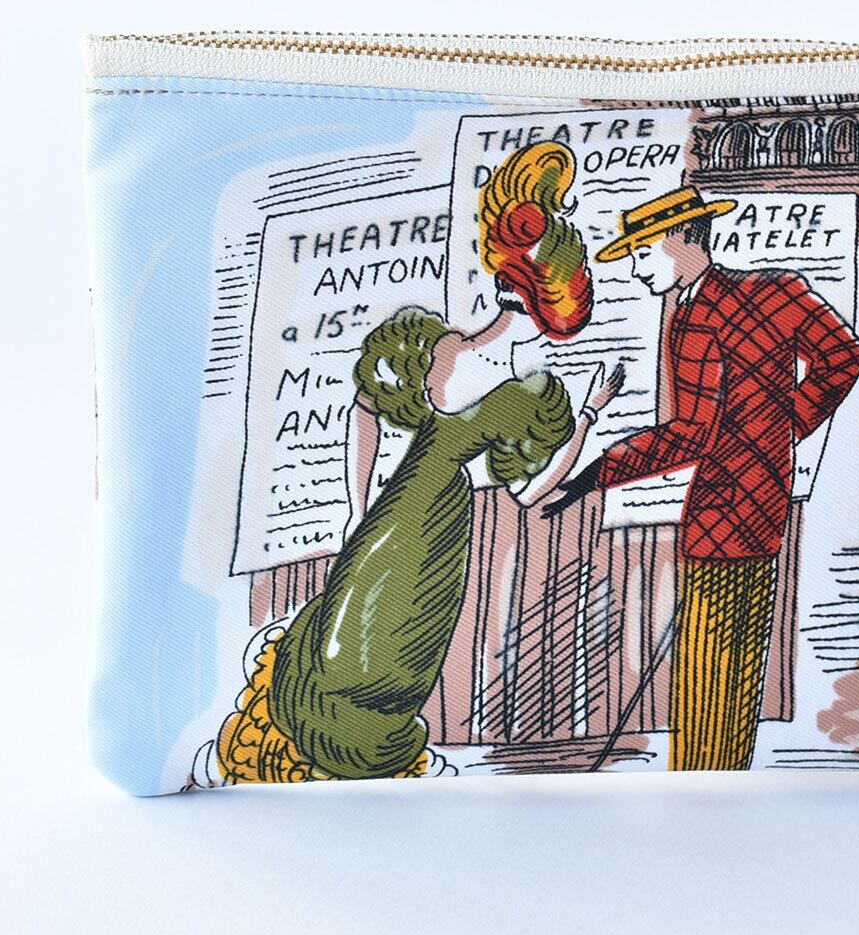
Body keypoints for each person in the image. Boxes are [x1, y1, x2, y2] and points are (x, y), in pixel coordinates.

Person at [212, 142, 622, 784]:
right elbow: (533, 492)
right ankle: (351, 747)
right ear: (551, 312)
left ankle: (315, 741)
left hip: (392, 508)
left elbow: (365, 408)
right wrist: (591, 414)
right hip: (439, 528)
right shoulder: (531, 393)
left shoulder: (436, 345)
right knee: (398, 641)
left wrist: (358, 510)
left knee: (356, 626)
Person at [548, 185, 859, 771]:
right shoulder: (766, 292)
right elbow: (844, 356)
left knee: (707, 668)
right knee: (736, 670)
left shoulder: (703, 317)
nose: (636, 270)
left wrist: (595, 473)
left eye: (643, 254)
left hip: (720, 516)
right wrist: (781, 429)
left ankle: (700, 779)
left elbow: (690, 433)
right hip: (763, 506)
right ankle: (720, 778)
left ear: (682, 240)